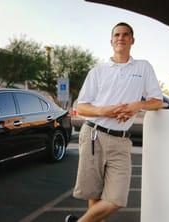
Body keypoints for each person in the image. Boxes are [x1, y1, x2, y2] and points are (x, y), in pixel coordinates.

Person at [65, 22, 164, 222]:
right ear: (111, 41)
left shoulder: (143, 67)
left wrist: (135, 106)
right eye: (117, 35)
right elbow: (82, 107)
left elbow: (158, 102)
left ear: (132, 40)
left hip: (121, 141)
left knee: (116, 199)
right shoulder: (98, 71)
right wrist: (105, 111)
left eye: (126, 34)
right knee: (94, 194)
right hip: (94, 134)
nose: (121, 37)